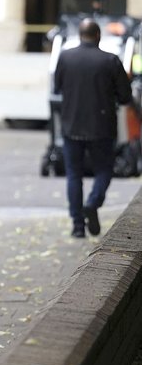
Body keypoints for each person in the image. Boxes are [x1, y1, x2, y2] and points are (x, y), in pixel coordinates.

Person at [54, 18, 132, 238]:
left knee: (73, 175)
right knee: (104, 170)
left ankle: (78, 226)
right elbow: (125, 97)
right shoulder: (111, 61)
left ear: (80, 35)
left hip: (71, 125)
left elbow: (57, 87)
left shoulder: (65, 57)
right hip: (102, 127)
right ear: (98, 36)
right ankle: (93, 202)